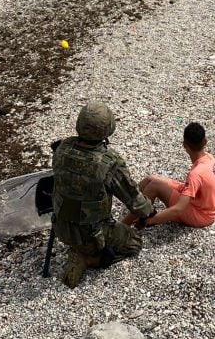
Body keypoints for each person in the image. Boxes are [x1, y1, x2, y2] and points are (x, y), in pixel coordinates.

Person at [50, 101, 155, 288]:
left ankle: (80, 249)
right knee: (134, 242)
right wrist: (149, 211)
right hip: (92, 233)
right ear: (107, 130)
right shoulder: (108, 162)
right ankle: (89, 258)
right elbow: (133, 199)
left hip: (61, 227)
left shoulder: (62, 148)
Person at [125, 122, 215, 229]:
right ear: (205, 141)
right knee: (151, 178)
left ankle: (123, 225)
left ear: (184, 145)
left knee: (154, 186)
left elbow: (178, 209)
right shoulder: (209, 158)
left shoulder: (196, 174)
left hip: (202, 215)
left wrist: (152, 220)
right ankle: (130, 202)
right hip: (204, 204)